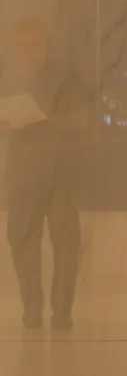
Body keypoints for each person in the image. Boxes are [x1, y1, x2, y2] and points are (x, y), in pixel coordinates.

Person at [0, 19, 89, 329]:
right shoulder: (7, 80)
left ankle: (62, 312)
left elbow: (83, 120)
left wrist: (46, 121)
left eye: (34, 45)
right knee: (21, 240)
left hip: (61, 173)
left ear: (46, 46)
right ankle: (32, 308)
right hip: (23, 174)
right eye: (22, 46)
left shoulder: (66, 78)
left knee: (66, 243)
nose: (28, 52)